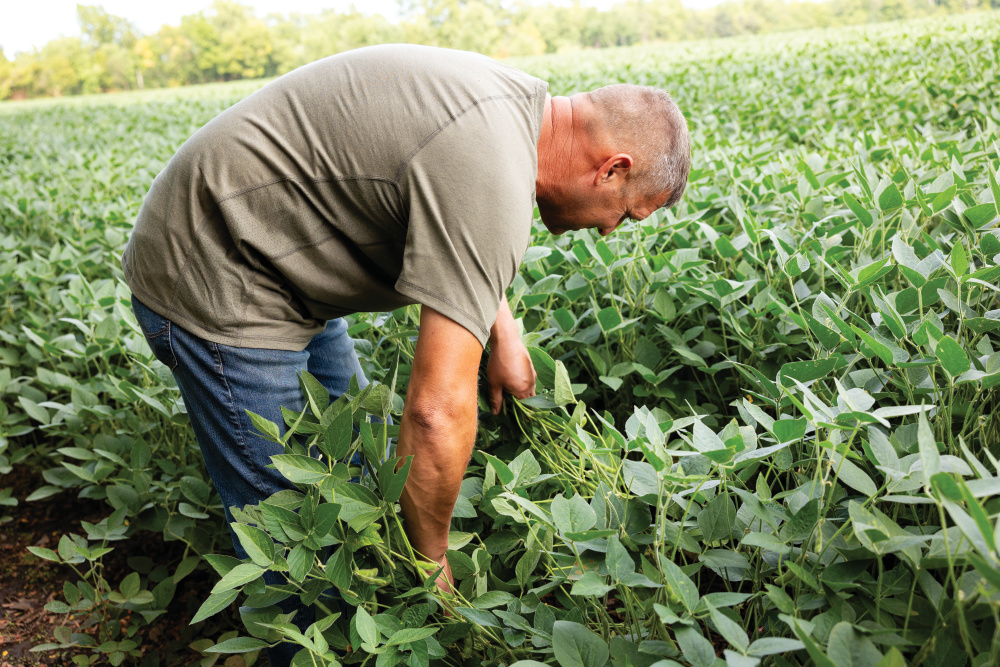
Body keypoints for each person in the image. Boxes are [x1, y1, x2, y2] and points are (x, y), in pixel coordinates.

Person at [122, 43, 689, 666]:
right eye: (626, 214)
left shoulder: (517, 113)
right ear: (611, 168)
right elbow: (434, 414)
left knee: (365, 485)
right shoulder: (492, 167)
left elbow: (458, 210)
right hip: (215, 273)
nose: (610, 230)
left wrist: (505, 330)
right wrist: (434, 566)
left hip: (279, 260)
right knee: (301, 551)